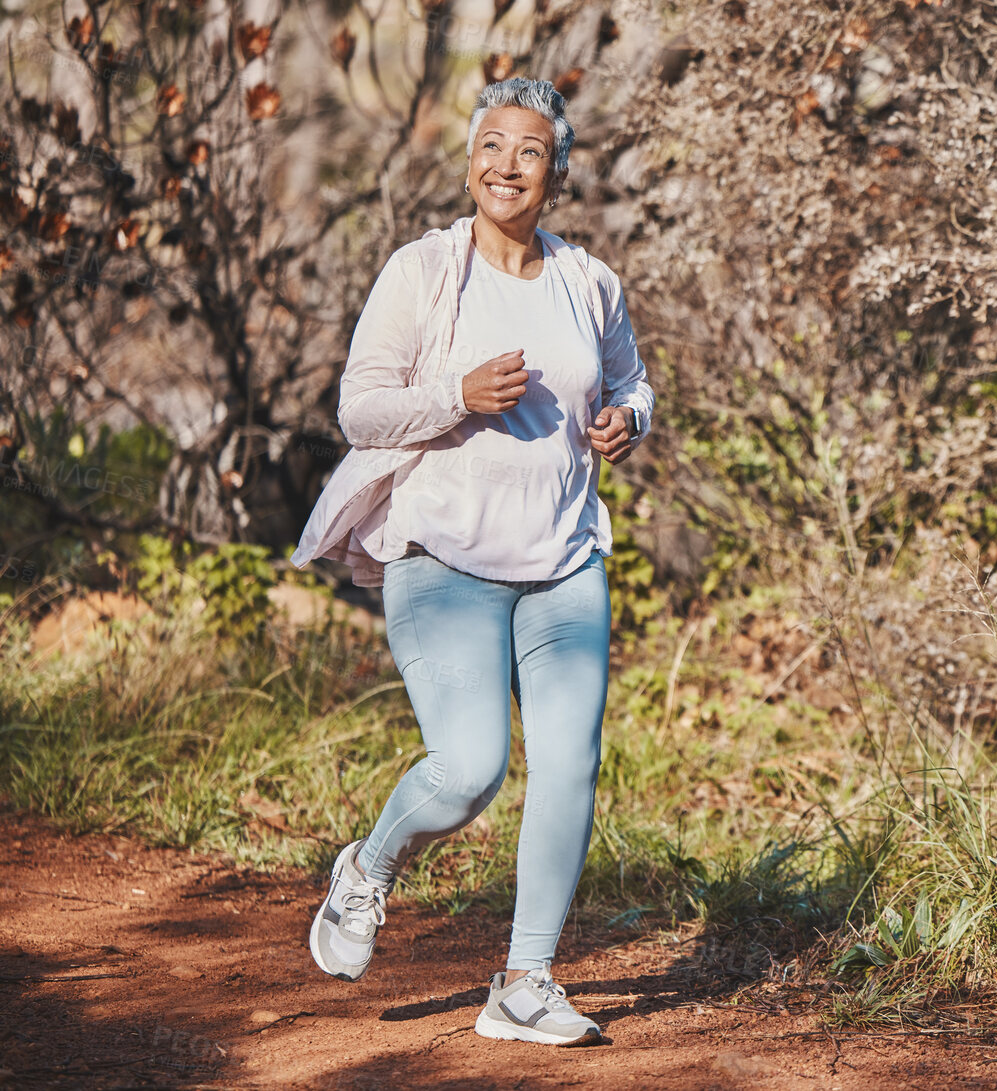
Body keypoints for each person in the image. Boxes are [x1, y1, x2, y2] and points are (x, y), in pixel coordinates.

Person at [289, 76, 654, 1047]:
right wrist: (457, 393)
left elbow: (631, 379)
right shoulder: (423, 271)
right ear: (469, 162)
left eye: (529, 150)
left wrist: (629, 420)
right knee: (469, 767)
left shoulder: (589, 282)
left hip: (564, 560)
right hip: (443, 556)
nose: (506, 164)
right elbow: (359, 408)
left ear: (555, 174)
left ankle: (526, 980)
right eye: (491, 145)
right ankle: (366, 869)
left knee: (570, 761)